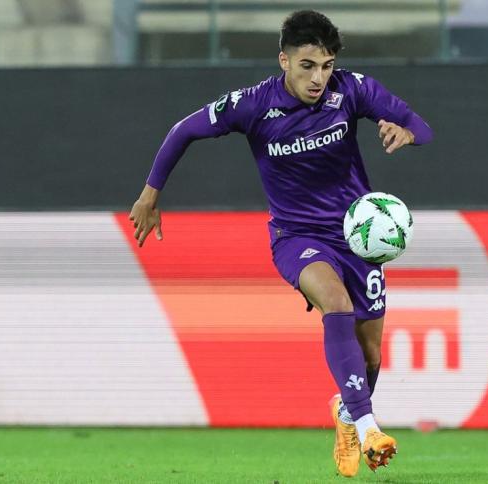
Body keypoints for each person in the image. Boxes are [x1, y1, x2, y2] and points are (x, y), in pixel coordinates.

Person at [128, 10, 433, 477]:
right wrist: (150, 195)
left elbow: (421, 125)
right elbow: (183, 130)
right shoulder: (253, 105)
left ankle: (347, 413)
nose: (318, 78)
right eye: (307, 65)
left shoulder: (351, 90)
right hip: (297, 237)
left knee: (371, 356)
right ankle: (369, 427)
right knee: (336, 302)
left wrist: (407, 132)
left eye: (326, 66)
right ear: (284, 61)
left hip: (357, 239)